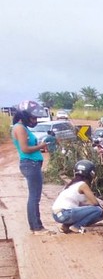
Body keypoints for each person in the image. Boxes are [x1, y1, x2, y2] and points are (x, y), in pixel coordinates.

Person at [10, 100, 49, 234]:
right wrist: (41, 146)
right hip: (30, 164)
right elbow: (25, 149)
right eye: (33, 117)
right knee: (34, 197)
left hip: (32, 164)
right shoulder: (19, 128)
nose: (35, 120)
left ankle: (36, 226)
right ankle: (37, 227)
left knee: (35, 196)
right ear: (25, 116)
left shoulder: (22, 127)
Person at [51, 160, 103, 234]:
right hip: (65, 213)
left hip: (56, 215)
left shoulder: (72, 184)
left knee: (81, 211)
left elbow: (80, 204)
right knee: (98, 211)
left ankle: (65, 226)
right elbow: (95, 203)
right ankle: (77, 226)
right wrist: (100, 205)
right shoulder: (83, 185)